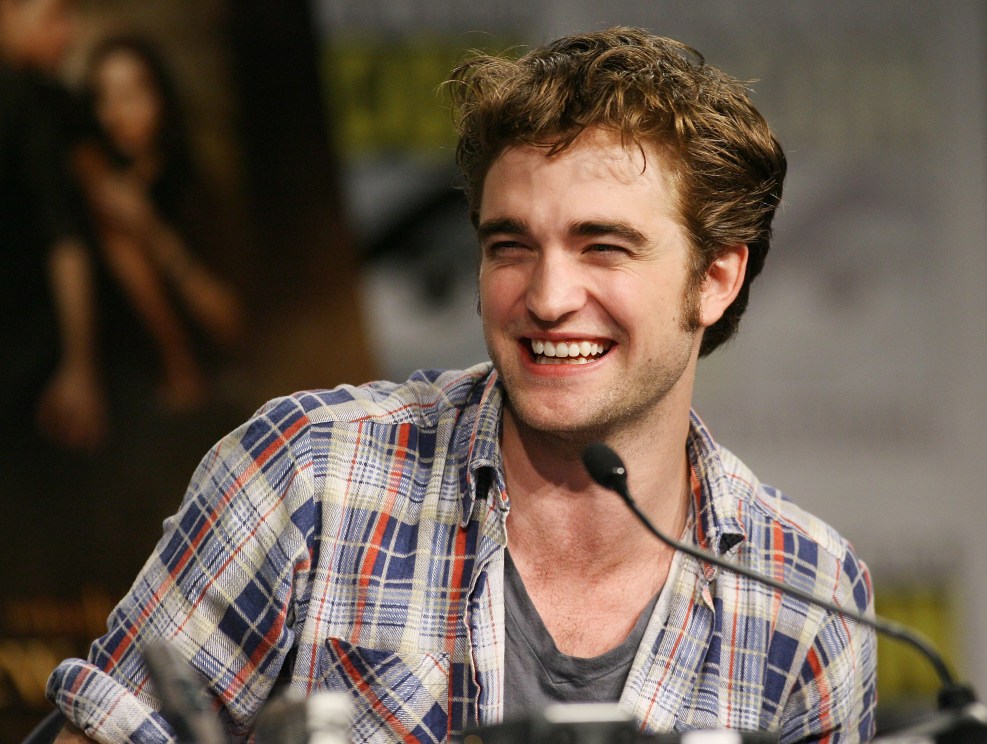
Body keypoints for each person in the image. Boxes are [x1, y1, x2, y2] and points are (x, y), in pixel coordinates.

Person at [47, 27, 876, 743]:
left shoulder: (807, 597)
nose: (547, 298)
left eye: (603, 247)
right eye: (511, 246)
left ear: (716, 279)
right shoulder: (308, 477)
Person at [75, 35, 244, 411]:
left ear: (161, 98)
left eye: (130, 95)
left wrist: (151, 230)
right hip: (129, 390)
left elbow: (232, 324)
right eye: (103, 98)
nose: (116, 114)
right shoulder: (98, 182)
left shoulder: (191, 189)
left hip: (214, 384)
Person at [0, 0, 106, 451]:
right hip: (29, 360)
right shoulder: (24, 96)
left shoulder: (47, 96)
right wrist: (79, 367)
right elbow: (62, 233)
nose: (67, 33)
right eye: (54, 15)